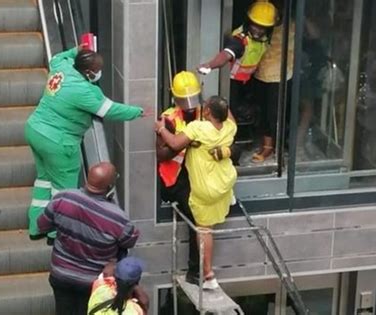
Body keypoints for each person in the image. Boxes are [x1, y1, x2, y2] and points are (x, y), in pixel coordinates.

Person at [26, 45, 152, 240]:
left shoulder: (62, 67)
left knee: (44, 180)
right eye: (96, 69)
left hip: (35, 129)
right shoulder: (84, 91)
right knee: (63, 188)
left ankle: (36, 225)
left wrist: (77, 49)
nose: (98, 72)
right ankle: (55, 230)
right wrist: (138, 111)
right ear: (88, 72)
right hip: (58, 141)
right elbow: (109, 110)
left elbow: (60, 56)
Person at [155, 96, 237, 290]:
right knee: (210, 224)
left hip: (205, 188)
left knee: (203, 229)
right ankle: (206, 273)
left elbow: (174, 144)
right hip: (224, 183)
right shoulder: (230, 127)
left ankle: (207, 275)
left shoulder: (198, 128)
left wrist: (160, 129)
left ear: (207, 112)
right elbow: (230, 117)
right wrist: (221, 102)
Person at [37, 162, 140, 315]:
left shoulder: (62, 198)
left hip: (61, 274)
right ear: (110, 186)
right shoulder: (118, 218)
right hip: (93, 283)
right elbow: (129, 241)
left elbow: (42, 225)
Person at [197, 1, 277, 127]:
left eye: (262, 27)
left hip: (249, 81)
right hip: (231, 83)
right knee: (230, 116)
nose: (258, 30)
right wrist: (210, 65)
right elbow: (226, 55)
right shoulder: (240, 40)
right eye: (255, 25)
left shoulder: (264, 39)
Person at [251, 0, 295, 162]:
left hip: (280, 75)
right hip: (260, 72)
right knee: (263, 111)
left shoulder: (291, 26)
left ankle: (273, 148)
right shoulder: (264, 24)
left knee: (274, 113)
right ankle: (268, 145)